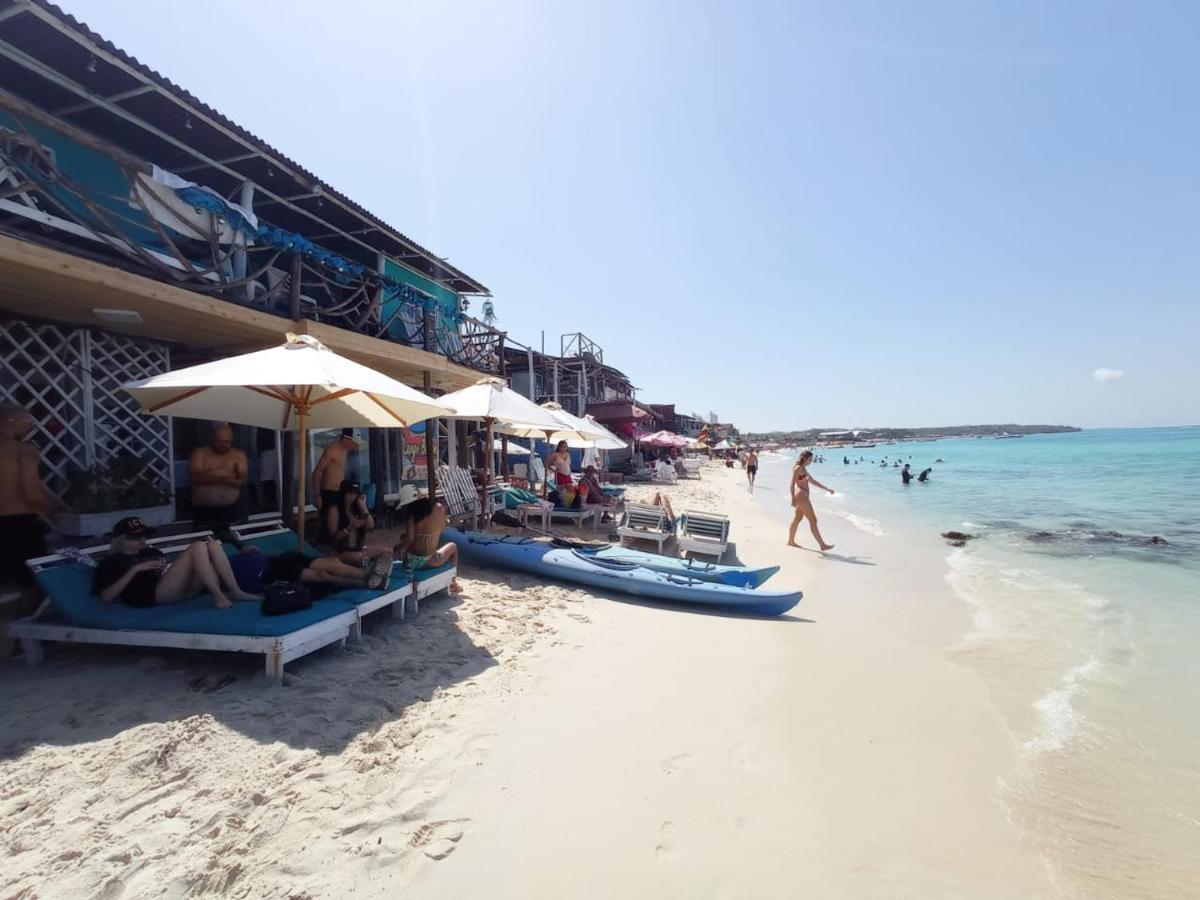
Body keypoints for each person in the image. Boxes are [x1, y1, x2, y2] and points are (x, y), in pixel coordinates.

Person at [92, 517, 259, 609]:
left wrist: (164, 566)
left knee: (213, 544)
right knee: (198, 546)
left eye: (144, 536)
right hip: (155, 595)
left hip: (180, 589)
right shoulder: (110, 562)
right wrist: (134, 570)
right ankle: (218, 596)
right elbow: (106, 597)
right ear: (119, 540)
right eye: (135, 537)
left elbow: (169, 570)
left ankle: (236, 591)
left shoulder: (149, 552)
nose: (141, 540)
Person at [0, 404, 65, 588]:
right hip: (16, 525)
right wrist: (55, 510)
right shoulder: (22, 451)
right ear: (13, 422)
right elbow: (31, 492)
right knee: (30, 584)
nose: (31, 426)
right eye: (29, 422)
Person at [188, 423, 248, 540]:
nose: (223, 445)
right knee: (204, 544)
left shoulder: (238, 455)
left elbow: (243, 479)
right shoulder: (200, 453)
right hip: (205, 511)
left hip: (231, 509)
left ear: (232, 441)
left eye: (227, 442)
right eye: (219, 441)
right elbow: (196, 477)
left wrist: (214, 475)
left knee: (233, 544)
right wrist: (225, 478)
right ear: (211, 439)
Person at [393, 498, 462, 594]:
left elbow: (410, 539)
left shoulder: (411, 517)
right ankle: (453, 582)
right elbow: (442, 529)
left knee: (403, 538)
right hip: (430, 561)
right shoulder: (438, 509)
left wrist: (398, 548)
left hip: (410, 561)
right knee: (453, 546)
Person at [787, 450, 835, 551]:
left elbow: (812, 481)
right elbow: (791, 484)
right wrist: (793, 499)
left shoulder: (803, 469)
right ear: (804, 458)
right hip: (801, 496)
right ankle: (822, 545)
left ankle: (790, 541)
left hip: (802, 495)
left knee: (797, 519)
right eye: (810, 459)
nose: (811, 461)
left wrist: (827, 489)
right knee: (813, 520)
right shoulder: (798, 468)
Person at [312, 428, 359, 515]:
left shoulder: (345, 450)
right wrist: (317, 495)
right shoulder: (331, 450)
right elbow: (317, 471)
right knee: (330, 522)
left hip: (340, 492)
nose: (355, 446)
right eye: (353, 443)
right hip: (328, 492)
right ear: (345, 439)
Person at [325, 479, 374, 557]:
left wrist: (362, 505)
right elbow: (333, 539)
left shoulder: (357, 508)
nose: (352, 496)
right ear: (343, 493)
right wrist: (349, 528)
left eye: (355, 493)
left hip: (358, 548)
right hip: (341, 550)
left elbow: (370, 526)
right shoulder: (335, 509)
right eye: (349, 493)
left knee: (388, 552)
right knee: (361, 558)